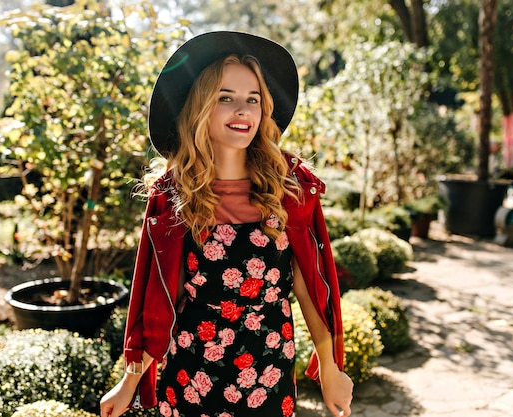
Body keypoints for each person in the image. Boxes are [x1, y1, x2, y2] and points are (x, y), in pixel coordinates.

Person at [100, 31, 353, 417]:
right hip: (191, 370)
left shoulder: (290, 187)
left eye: (253, 99)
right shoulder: (172, 197)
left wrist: (330, 367)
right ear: (199, 108)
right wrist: (129, 381)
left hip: (269, 367)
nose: (242, 110)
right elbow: (157, 296)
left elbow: (309, 283)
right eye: (225, 98)